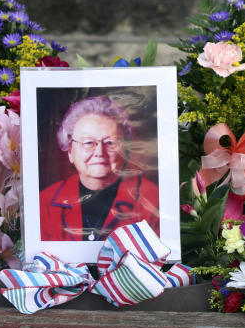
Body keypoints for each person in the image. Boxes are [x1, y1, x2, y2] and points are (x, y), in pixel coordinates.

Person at [39, 95, 160, 241]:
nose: (99, 153)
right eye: (88, 142)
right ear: (70, 151)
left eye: (110, 143)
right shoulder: (44, 202)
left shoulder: (152, 200)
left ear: (124, 149)